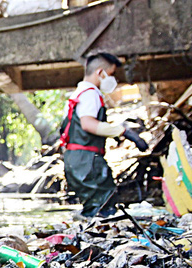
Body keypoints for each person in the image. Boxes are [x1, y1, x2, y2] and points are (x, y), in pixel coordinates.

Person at [59, 52, 148, 218]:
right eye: (112, 74)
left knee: (95, 202)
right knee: (103, 202)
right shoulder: (90, 94)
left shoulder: (77, 93)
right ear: (101, 73)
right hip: (88, 160)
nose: (113, 79)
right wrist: (123, 131)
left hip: (75, 159)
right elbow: (88, 124)